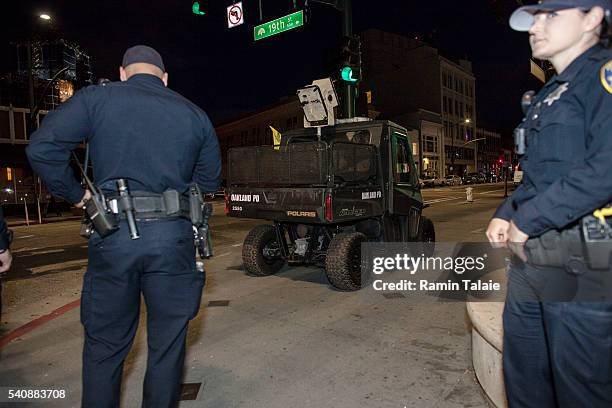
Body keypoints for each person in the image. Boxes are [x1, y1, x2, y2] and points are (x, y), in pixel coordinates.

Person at [27, 45, 221, 407]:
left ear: (122, 72)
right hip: (174, 239)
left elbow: (41, 149)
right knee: (167, 348)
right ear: (165, 78)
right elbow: (208, 182)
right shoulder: (195, 114)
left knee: (105, 349)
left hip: (113, 235)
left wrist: (78, 196)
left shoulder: (96, 99)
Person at [486, 0, 612, 406]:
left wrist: (531, 218)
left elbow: (605, 167)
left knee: (579, 388)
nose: (535, 27)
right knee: (524, 379)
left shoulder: (604, 76)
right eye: (535, 18)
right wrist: (506, 213)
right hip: (533, 260)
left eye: (551, 15)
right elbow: (541, 173)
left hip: (584, 259)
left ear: (593, 18)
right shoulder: (548, 95)